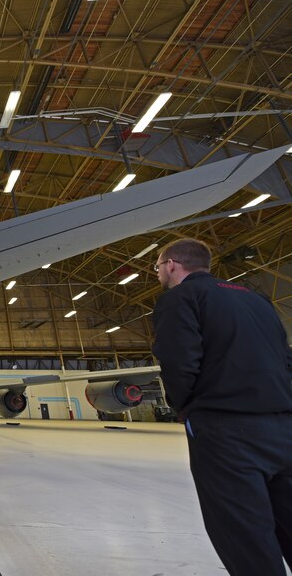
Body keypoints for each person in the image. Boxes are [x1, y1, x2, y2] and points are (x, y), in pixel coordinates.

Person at [151, 238, 292, 576]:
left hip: (226, 429)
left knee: (245, 536)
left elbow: (178, 360)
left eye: (157, 267)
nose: (157, 274)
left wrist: (186, 408)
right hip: (284, 427)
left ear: (171, 264)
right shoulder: (257, 299)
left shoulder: (180, 298)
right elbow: (284, 357)